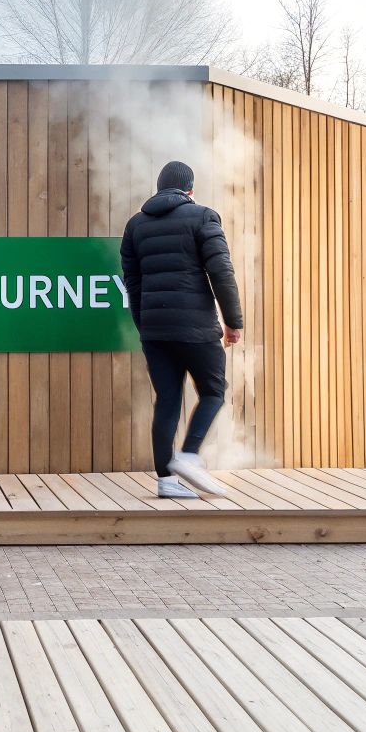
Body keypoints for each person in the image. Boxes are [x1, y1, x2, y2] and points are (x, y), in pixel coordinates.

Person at [120, 161, 243, 499]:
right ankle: (189, 456)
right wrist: (233, 322)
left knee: (168, 400)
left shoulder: (135, 226)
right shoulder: (203, 217)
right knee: (213, 390)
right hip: (196, 328)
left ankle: (166, 480)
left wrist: (145, 326)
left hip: (154, 330)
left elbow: (133, 284)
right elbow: (222, 272)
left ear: (160, 188)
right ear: (190, 189)